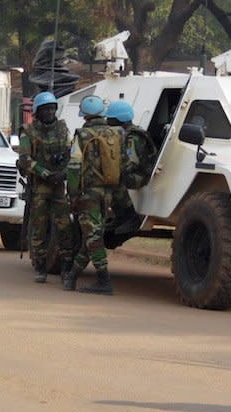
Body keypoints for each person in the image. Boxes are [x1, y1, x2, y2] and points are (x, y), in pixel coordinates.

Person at [62, 95, 126, 295]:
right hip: (109, 192)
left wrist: (72, 195)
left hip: (87, 194)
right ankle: (72, 276)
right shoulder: (118, 133)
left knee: (92, 236)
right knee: (92, 235)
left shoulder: (81, 135)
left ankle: (103, 280)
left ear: (85, 115)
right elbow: (124, 162)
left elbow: (73, 167)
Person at [16, 91, 73, 283]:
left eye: (52, 109)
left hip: (58, 186)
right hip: (40, 186)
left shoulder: (63, 128)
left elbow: (71, 153)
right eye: (45, 110)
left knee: (64, 226)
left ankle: (66, 266)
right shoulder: (28, 131)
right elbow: (24, 159)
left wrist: (64, 173)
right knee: (39, 227)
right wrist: (45, 173)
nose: (49, 113)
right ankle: (40, 266)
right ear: (37, 112)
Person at [105, 100, 159, 234]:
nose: (107, 122)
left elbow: (130, 163)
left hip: (141, 175)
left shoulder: (132, 137)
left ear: (120, 120)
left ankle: (131, 217)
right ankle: (121, 217)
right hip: (135, 172)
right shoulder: (124, 134)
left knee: (115, 181)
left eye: (110, 119)